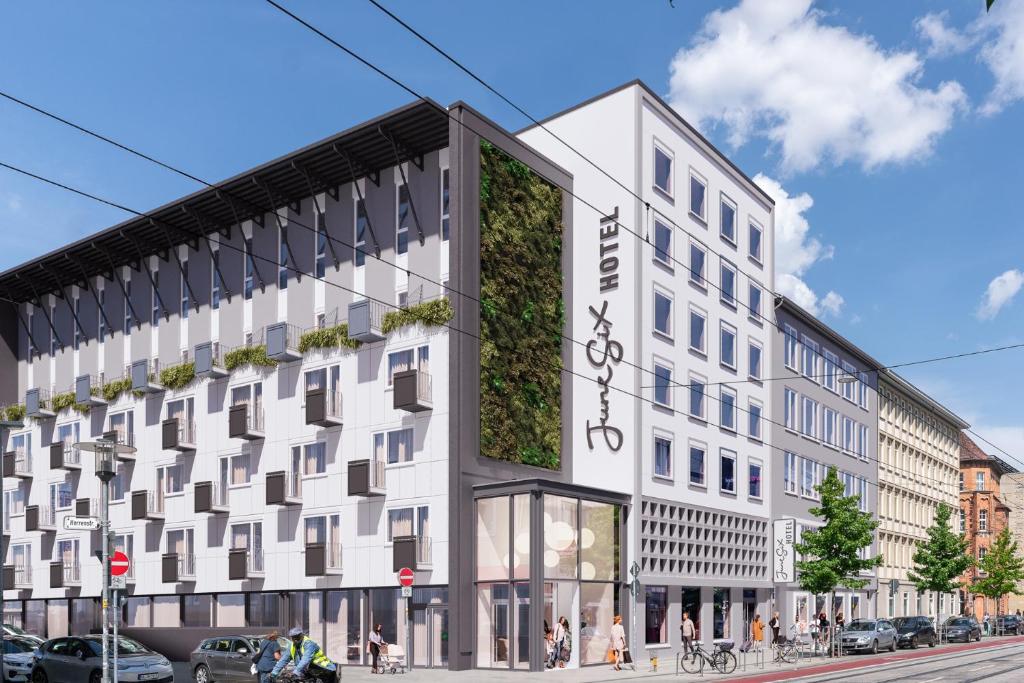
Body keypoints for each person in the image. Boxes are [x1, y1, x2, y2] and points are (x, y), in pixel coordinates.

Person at [270, 626, 337, 682]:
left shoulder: (309, 644)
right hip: (312, 671)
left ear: (302, 635)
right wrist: (274, 673)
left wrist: (295, 672)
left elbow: (305, 659)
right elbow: (283, 660)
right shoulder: (292, 646)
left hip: (325, 670)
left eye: (297, 637)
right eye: (293, 638)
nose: (295, 639)